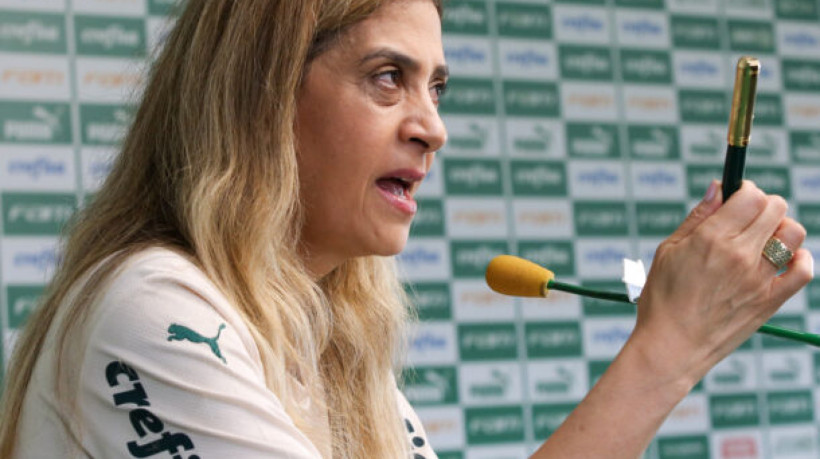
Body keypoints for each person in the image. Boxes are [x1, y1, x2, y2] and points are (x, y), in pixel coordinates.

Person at [0, 0, 813, 457]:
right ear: (262, 95)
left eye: (437, 87)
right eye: (387, 78)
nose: (433, 127)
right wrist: (665, 349)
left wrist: (675, 343)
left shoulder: (328, 332)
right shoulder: (152, 305)